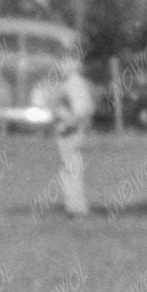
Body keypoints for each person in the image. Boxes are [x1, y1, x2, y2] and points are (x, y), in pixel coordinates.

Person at [52, 61, 95, 218]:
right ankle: (73, 205)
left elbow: (81, 111)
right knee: (69, 168)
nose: (59, 67)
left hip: (71, 131)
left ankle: (77, 207)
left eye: (62, 65)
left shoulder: (74, 84)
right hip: (69, 129)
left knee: (71, 168)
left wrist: (67, 125)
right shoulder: (70, 83)